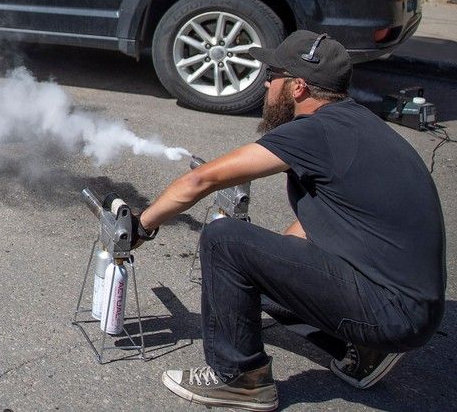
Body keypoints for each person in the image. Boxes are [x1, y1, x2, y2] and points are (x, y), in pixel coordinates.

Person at [126, 31, 445, 411]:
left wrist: (141, 226)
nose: (265, 85)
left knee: (224, 238)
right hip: (409, 310)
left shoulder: (314, 132)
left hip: (391, 312)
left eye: (271, 77)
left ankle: (241, 379)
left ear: (297, 87)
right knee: (259, 273)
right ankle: (365, 349)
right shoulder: (358, 124)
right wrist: (262, 269)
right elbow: (322, 222)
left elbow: (202, 179)